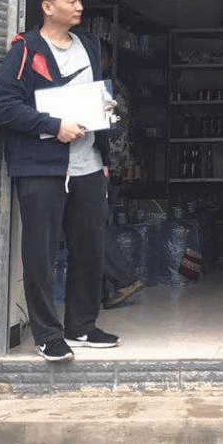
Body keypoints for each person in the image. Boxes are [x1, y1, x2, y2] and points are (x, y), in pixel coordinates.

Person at [0, 0, 119, 362]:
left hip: (88, 165)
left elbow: (98, 93)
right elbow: (4, 107)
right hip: (42, 168)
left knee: (90, 248)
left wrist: (105, 144)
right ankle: (47, 334)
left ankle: (82, 325)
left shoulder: (89, 45)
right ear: (48, 7)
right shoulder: (25, 50)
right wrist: (53, 126)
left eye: (80, 0)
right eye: (71, 1)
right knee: (41, 253)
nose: (80, 6)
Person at [100, 40, 144, 309]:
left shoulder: (108, 90)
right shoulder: (108, 86)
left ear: (108, 61)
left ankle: (123, 278)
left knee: (93, 227)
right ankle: (102, 292)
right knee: (95, 226)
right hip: (107, 166)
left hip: (104, 167)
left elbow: (110, 133)